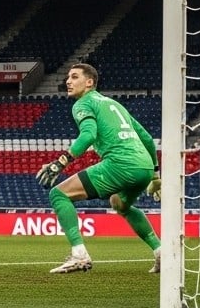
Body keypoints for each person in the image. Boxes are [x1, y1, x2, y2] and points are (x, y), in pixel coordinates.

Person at [36, 63, 161, 274]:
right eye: (68, 77)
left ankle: (79, 255)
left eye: (74, 77)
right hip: (144, 167)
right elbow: (147, 138)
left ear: (89, 82)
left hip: (121, 164)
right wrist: (155, 175)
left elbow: (88, 135)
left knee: (58, 194)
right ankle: (160, 252)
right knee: (119, 203)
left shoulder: (83, 104)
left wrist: (61, 162)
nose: (68, 81)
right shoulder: (114, 104)